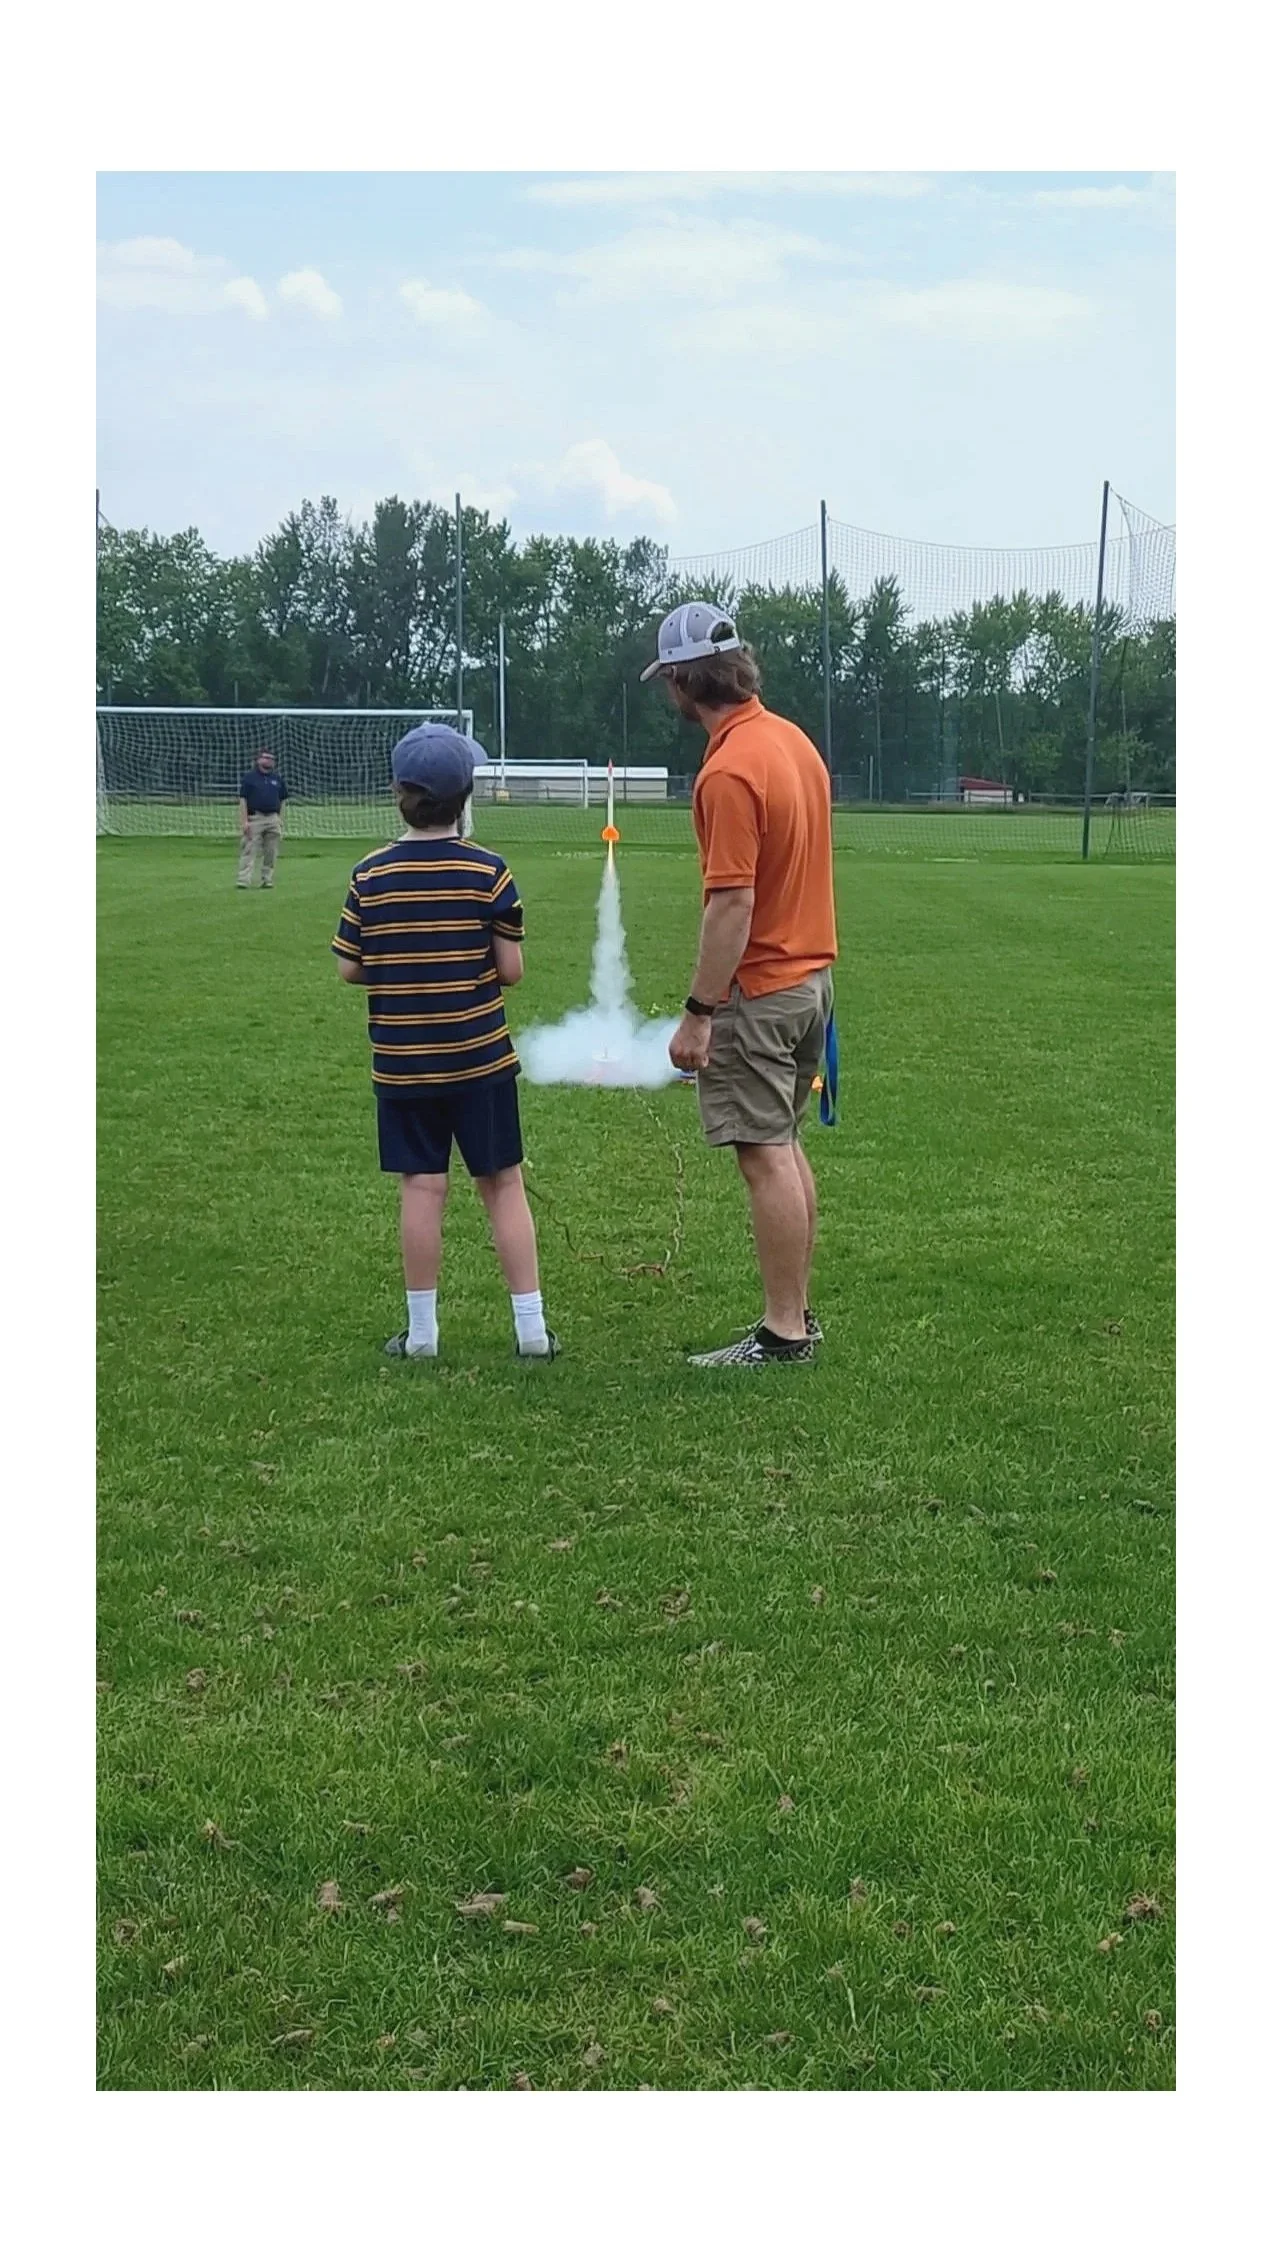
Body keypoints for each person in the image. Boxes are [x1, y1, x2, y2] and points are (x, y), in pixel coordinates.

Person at [643, 602, 837, 1367]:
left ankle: (784, 1331)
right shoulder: (792, 742)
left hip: (761, 990)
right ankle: (796, 1314)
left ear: (685, 683)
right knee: (783, 1144)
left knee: (763, 1153)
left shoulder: (727, 771)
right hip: (811, 980)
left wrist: (698, 1013)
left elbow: (733, 902)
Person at [331, 722, 557, 1363]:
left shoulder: (369, 876)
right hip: (481, 1060)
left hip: (404, 1067)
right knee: (503, 1185)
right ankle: (532, 1330)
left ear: (399, 794)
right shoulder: (488, 871)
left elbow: (350, 966)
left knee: (422, 1190)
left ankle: (422, 1334)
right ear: (465, 797)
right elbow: (510, 971)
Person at [238, 749, 288, 888]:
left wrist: (280, 820)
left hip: (273, 818)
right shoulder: (250, 778)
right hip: (255, 818)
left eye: (272, 758)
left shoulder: (277, 779)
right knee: (249, 849)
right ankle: (243, 879)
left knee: (271, 851)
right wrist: (244, 821)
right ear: (258, 760)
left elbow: (283, 800)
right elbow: (243, 800)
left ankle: (267, 879)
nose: (270, 760)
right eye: (266, 757)